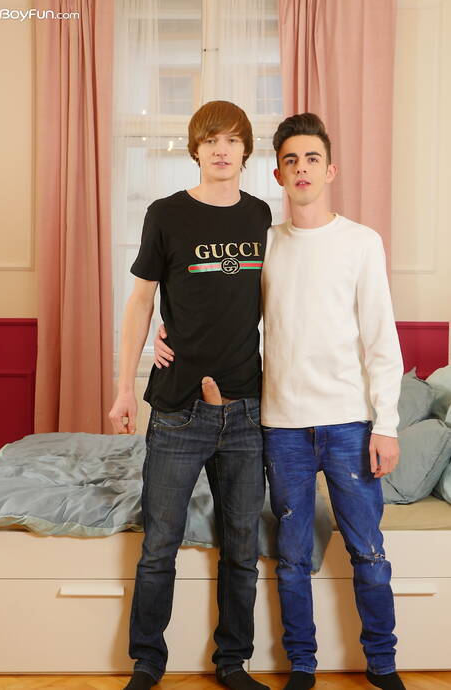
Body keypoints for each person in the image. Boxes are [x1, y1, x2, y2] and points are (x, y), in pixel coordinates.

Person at [155, 113, 406, 690]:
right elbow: (215, 302)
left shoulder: (361, 243)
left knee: (368, 552)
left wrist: (387, 424)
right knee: (292, 558)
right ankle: (303, 666)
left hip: (349, 424)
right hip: (282, 427)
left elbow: (382, 342)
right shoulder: (264, 244)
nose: (301, 169)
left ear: (330, 170)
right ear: (277, 174)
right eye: (290, 160)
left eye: (312, 159)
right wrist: (168, 330)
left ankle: (383, 664)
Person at [109, 100, 272, 690]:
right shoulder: (166, 214)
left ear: (245, 151)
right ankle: (147, 662)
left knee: (242, 547)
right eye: (210, 140)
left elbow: (276, 302)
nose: (221, 150)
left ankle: (233, 661)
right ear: (196, 149)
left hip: (246, 409)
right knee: (159, 546)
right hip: (178, 409)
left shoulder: (260, 217)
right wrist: (124, 387)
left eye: (231, 140)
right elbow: (140, 301)